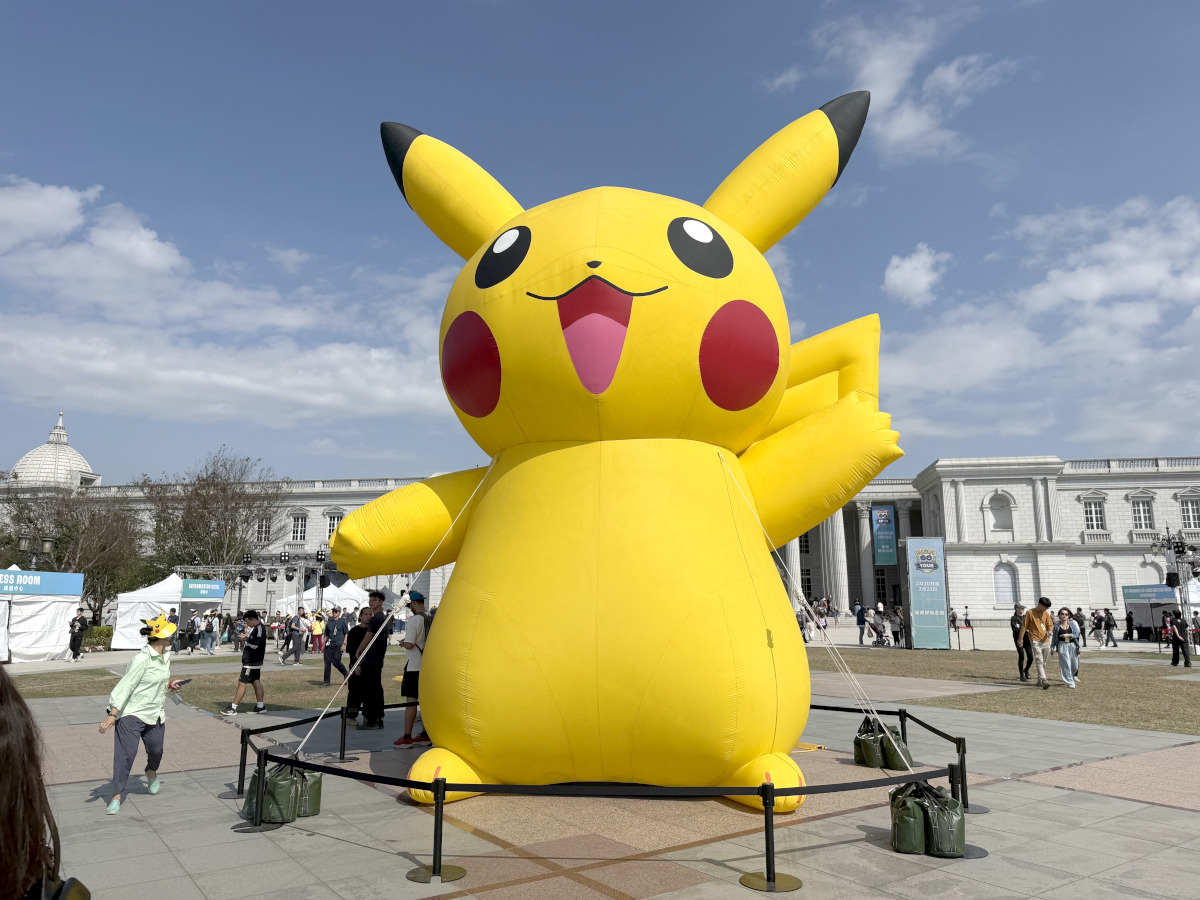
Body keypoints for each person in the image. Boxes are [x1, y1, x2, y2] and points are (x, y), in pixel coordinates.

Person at [99, 612, 183, 814]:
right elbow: (126, 686)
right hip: (132, 713)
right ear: (160, 637)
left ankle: (151, 772)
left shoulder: (165, 656)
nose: (172, 637)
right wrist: (112, 714)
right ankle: (116, 795)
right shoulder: (141, 659)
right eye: (169, 634)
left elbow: (156, 684)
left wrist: (170, 686)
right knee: (125, 755)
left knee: (156, 751)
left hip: (155, 713)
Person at [394, 592, 432, 747]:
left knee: (411, 702)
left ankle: (407, 736)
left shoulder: (414, 620)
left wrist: (403, 643)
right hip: (428, 666)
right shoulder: (431, 618)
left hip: (414, 666)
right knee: (426, 702)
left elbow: (410, 644)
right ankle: (425, 734)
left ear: (414, 604)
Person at [221, 610, 268, 715]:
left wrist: (246, 638)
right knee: (256, 681)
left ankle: (233, 707)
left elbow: (256, 645)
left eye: (247, 622)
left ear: (253, 619)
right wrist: (246, 638)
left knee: (242, 683)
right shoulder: (257, 628)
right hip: (254, 660)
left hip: (251, 661)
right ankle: (260, 706)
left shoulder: (259, 628)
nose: (247, 624)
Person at [356, 590, 391, 730]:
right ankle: (378, 717)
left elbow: (368, 637)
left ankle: (372, 719)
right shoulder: (380, 617)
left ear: (381, 602)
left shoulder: (377, 618)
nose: (371, 602)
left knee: (370, 689)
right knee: (375, 688)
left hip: (372, 658)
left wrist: (359, 650)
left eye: (375, 600)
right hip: (375, 658)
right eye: (370, 599)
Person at [1018, 597, 1055, 689]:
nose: (1046, 609)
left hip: (1046, 640)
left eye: (1047, 607)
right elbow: (1024, 626)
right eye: (1045, 607)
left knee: (1044, 662)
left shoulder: (1046, 614)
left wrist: (1050, 630)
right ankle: (1044, 680)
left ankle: (1039, 680)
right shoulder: (1030, 613)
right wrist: (1020, 638)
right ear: (1040, 604)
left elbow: (1050, 625)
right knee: (1039, 660)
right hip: (1035, 640)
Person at [344, 607, 373, 724]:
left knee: (369, 692)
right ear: (360, 616)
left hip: (370, 666)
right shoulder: (354, 631)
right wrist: (357, 665)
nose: (368, 616)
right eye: (366, 614)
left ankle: (368, 716)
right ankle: (351, 716)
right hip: (356, 665)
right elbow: (352, 651)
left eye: (370, 614)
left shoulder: (373, 631)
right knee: (354, 692)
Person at [1051, 607, 1081, 688]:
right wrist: (1052, 647)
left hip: (1072, 645)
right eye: (1062, 614)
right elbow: (1054, 638)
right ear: (1059, 615)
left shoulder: (1072, 624)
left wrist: (1068, 635)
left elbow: (1077, 634)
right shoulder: (1056, 626)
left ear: (1069, 616)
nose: (1064, 615)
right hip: (1062, 645)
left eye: (1066, 614)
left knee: (1075, 665)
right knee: (1066, 664)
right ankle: (1070, 682)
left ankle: (1071, 677)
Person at [322, 605, 349, 686]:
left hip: (339, 644)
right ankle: (326, 681)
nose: (334, 613)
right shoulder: (329, 622)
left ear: (339, 613)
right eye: (333, 611)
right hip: (330, 644)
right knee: (327, 662)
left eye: (336, 611)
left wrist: (344, 644)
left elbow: (346, 633)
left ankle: (345, 673)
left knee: (336, 661)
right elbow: (326, 634)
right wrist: (323, 645)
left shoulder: (343, 621)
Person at [1010, 603, 1033, 682]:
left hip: (1027, 639)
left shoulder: (1026, 617)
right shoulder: (1014, 618)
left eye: (1023, 608)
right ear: (1016, 608)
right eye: (1021, 607)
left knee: (1031, 657)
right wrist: (1023, 630)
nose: (1022, 609)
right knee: (1021, 655)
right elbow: (1014, 629)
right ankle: (1021, 675)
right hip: (1018, 639)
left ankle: (1026, 670)